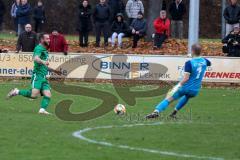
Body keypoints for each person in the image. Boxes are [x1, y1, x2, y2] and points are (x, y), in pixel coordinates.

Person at [146, 44, 212, 119]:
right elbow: (208, 63)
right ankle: (174, 113)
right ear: (200, 52)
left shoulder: (189, 63)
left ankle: (156, 112)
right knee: (187, 97)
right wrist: (197, 56)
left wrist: (177, 86)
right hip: (195, 90)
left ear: (192, 51)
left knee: (168, 99)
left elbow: (186, 78)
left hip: (185, 88)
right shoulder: (205, 61)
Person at [7, 33, 62, 115]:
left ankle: (42, 110)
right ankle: (16, 91)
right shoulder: (38, 48)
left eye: (49, 39)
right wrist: (43, 61)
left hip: (43, 77)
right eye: (47, 39)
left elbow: (44, 66)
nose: (49, 40)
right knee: (33, 95)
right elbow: (36, 58)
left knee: (48, 94)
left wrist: (54, 71)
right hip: (38, 75)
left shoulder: (45, 50)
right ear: (42, 40)